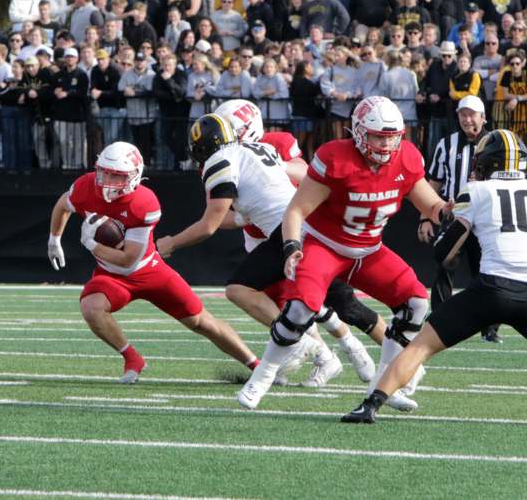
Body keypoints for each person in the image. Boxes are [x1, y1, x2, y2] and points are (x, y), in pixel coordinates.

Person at [237, 96, 451, 411]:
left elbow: (432, 206)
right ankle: (262, 377)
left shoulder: (407, 158)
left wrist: (455, 209)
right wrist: (292, 246)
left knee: (416, 302)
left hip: (369, 250)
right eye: (379, 135)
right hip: (325, 245)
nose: (387, 143)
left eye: (392, 136)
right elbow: (297, 209)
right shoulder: (335, 158)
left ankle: (385, 384)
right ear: (360, 132)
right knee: (300, 309)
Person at [156, 114, 378, 387]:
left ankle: (312, 343)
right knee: (314, 298)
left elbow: (209, 225)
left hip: (290, 231)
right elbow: (243, 208)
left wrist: (171, 243)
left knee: (249, 290)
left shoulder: (219, 161)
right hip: (300, 225)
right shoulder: (256, 148)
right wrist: (243, 217)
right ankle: (339, 350)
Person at [342, 129, 527, 423]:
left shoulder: (476, 190)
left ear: (487, 162)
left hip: (491, 289)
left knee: (420, 346)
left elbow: (446, 252)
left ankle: (371, 405)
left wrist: (451, 227)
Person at [47, 141, 261, 383]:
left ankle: (256, 364)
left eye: (116, 176)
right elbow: (63, 205)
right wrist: (54, 238)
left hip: (148, 270)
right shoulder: (86, 186)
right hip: (111, 276)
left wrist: (92, 245)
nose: (106, 180)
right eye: (103, 171)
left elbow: (129, 259)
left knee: (201, 322)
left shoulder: (143, 202)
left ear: (134, 176)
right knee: (91, 307)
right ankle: (132, 358)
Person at [421, 95, 501, 341]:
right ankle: (440, 322)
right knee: (444, 265)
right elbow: (432, 183)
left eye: (472, 114)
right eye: (463, 114)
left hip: (486, 220)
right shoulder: (446, 145)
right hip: (455, 217)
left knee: (487, 272)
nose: (467, 119)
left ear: (482, 116)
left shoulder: (497, 144)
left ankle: (489, 328)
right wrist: (425, 216)